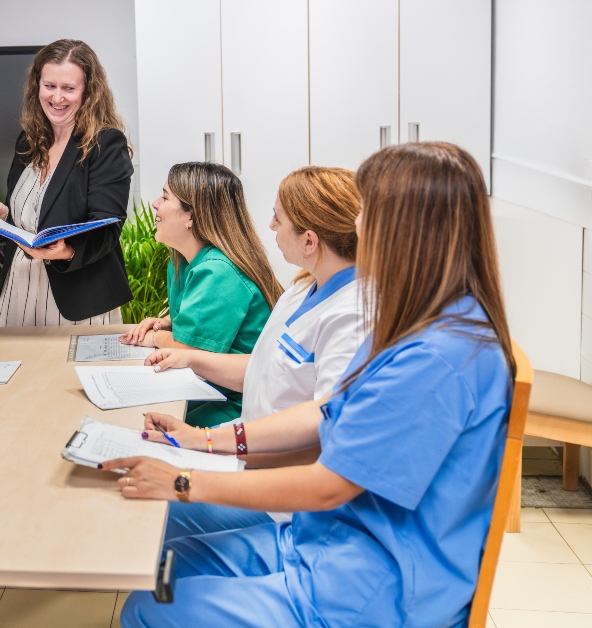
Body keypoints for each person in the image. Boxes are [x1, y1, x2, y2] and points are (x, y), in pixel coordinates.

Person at [106, 142, 515, 628]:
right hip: (325, 541)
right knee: (163, 564)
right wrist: (203, 440)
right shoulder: (422, 324)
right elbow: (327, 412)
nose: (356, 226)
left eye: (367, 212)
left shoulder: (435, 356)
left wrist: (183, 480)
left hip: (367, 585)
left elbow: (328, 485)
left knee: (147, 608)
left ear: (405, 230)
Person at [141, 166, 366, 538]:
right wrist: (192, 359)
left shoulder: (352, 317)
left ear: (310, 241)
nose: (271, 226)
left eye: (278, 219)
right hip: (248, 453)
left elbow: (326, 430)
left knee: (151, 511)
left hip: (282, 493)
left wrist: (208, 444)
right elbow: (264, 371)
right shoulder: (302, 290)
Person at [0, 39, 134, 326]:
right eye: (49, 86)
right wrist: (1, 216)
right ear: (37, 85)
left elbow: (107, 229)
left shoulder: (105, 144)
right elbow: (29, 219)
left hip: (77, 299)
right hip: (16, 292)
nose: (57, 97)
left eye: (69, 88)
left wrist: (67, 251)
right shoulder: (28, 141)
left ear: (88, 92)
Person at [119, 162, 283, 426]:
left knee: (144, 426)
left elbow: (189, 350)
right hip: (213, 387)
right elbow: (203, 325)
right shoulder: (182, 262)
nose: (155, 204)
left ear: (191, 217)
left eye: (165, 197)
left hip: (242, 401)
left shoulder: (218, 271)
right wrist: (167, 323)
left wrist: (155, 337)